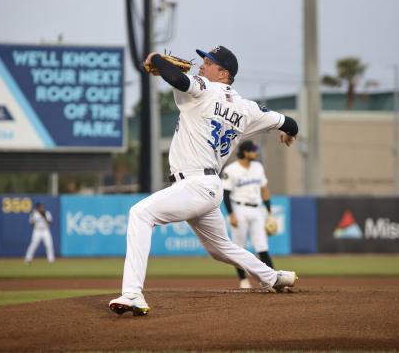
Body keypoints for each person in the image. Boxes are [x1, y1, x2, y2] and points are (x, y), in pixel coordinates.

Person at [109, 46, 300, 317]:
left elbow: (177, 79)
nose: (202, 65)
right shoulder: (248, 109)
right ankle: (273, 277)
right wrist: (288, 133)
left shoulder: (204, 89)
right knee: (220, 249)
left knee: (140, 214)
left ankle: (132, 293)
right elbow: (289, 122)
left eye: (208, 63)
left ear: (223, 73)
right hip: (208, 187)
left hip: (195, 184)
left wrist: (157, 59)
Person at [222, 140, 274, 289]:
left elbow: (264, 189)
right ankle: (243, 280)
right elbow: (226, 194)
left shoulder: (258, 167)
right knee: (239, 247)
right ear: (245, 152)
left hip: (257, 209)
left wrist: (269, 211)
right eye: (253, 150)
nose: (256, 153)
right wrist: (231, 214)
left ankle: (271, 279)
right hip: (239, 209)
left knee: (262, 246)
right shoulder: (231, 170)